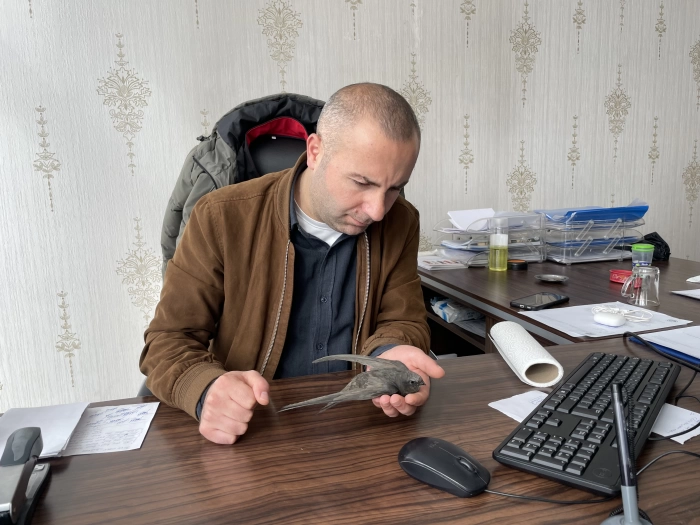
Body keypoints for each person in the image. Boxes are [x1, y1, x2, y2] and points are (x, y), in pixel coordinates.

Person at [140, 83, 444, 445]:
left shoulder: (401, 221)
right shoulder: (220, 217)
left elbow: (402, 320)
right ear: (315, 151)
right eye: (362, 182)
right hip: (255, 432)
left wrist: (391, 357)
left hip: (358, 427)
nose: (378, 210)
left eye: (394, 188)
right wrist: (206, 389)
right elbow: (168, 340)